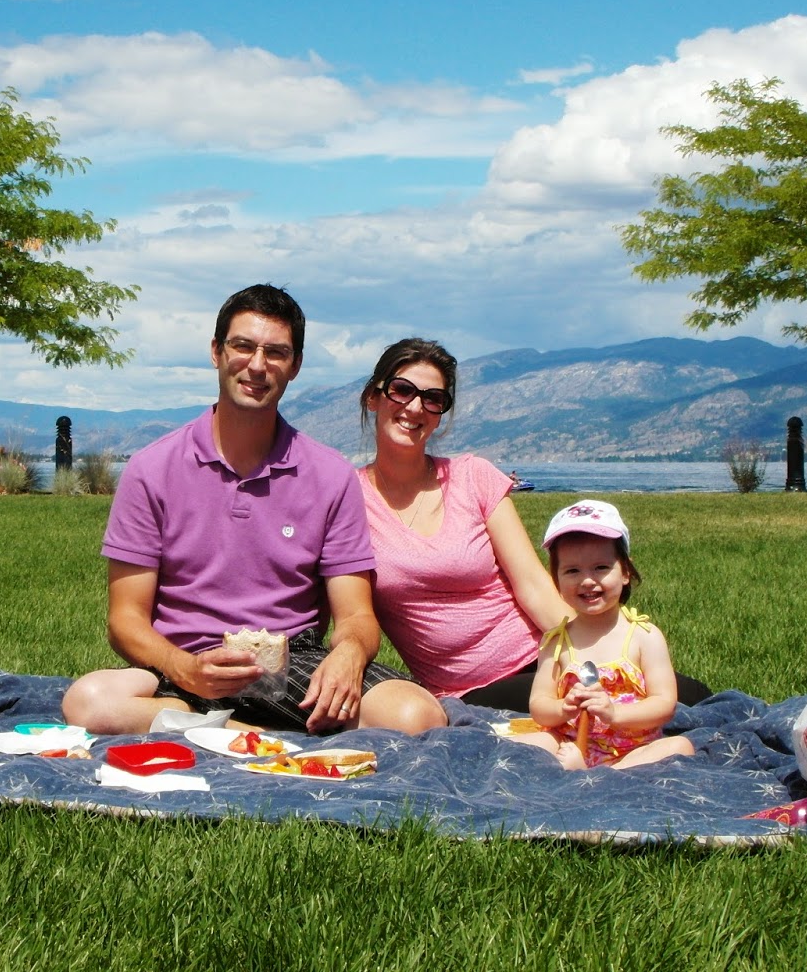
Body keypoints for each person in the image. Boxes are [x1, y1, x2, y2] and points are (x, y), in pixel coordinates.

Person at [61, 285, 446, 736]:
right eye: (243, 346)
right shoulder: (152, 469)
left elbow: (356, 615)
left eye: (276, 352)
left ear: (295, 365)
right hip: (183, 664)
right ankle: (246, 733)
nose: (258, 365)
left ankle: (215, 729)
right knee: (88, 702)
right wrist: (183, 668)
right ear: (217, 352)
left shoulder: (329, 475)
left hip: (292, 665)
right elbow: (125, 620)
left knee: (417, 716)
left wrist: (348, 654)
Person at [358, 338, 572, 709]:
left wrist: (590, 653)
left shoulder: (474, 476)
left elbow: (534, 586)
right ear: (373, 398)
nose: (415, 407)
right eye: (402, 390)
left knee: (667, 693)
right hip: (470, 693)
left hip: (543, 657)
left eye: (433, 399)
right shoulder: (349, 500)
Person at [517, 499, 693, 770]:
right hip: (570, 743)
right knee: (525, 744)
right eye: (572, 571)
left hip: (632, 750)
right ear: (557, 581)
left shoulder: (644, 636)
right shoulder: (556, 642)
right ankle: (578, 769)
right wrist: (563, 708)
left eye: (601, 567)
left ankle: (607, 774)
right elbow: (539, 705)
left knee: (680, 746)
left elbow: (664, 704)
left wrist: (614, 713)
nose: (587, 580)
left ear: (625, 572)